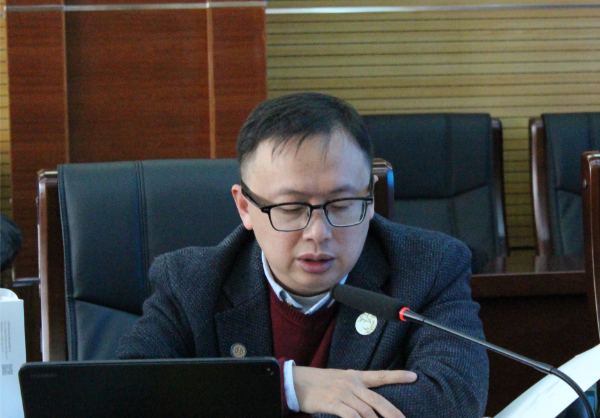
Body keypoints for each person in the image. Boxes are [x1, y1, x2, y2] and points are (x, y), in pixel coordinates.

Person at [117, 92, 489, 417]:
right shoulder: (190, 282)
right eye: (291, 208)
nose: (318, 233)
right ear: (245, 207)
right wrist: (286, 385)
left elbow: (453, 399)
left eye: (341, 204)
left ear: (370, 197)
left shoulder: (430, 267)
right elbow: (127, 396)